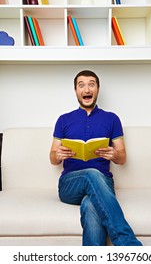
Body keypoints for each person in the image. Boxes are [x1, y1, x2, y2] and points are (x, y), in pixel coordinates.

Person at [49, 70, 142, 246]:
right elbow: (53, 158)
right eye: (81, 85)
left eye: (91, 84)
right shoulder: (63, 120)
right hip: (69, 185)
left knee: (90, 205)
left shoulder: (112, 119)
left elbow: (122, 158)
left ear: (98, 89)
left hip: (103, 184)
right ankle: (128, 245)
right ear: (76, 90)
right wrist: (57, 155)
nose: (87, 89)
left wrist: (115, 154)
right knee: (91, 173)